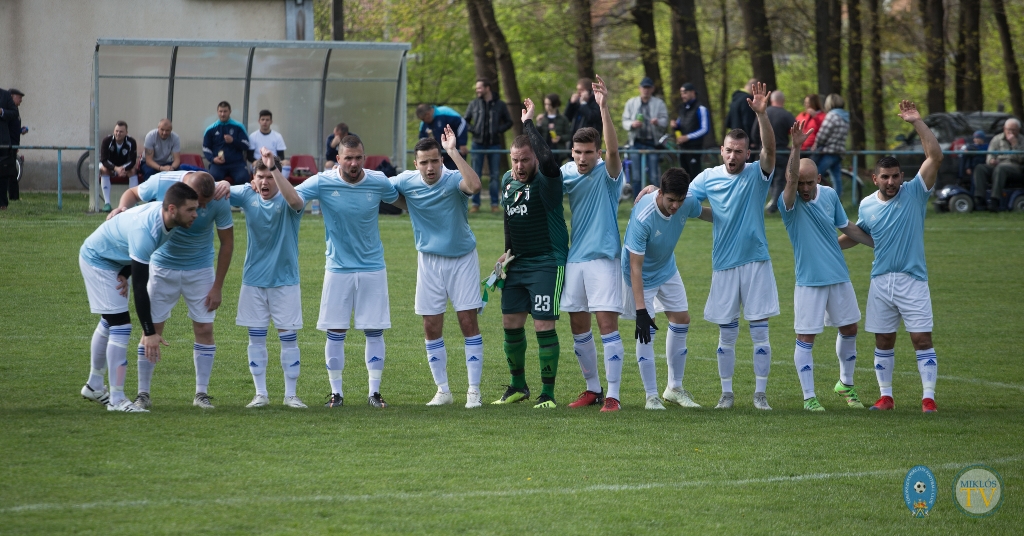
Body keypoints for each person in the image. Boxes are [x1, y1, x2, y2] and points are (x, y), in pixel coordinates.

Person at [639, 82, 781, 410]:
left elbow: (771, 152)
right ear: (722, 150)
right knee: (727, 333)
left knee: (760, 332)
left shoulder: (757, 175)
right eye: (729, 150)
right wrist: (657, 190)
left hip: (757, 262)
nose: (733, 156)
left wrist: (761, 115)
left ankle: (760, 394)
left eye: (740, 151)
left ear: (748, 153)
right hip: (724, 264)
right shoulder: (707, 177)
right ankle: (727, 394)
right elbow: (681, 199)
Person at [843, 100, 943, 413]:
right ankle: (886, 396)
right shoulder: (867, 206)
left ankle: (928, 398)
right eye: (885, 177)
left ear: (902, 176)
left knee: (921, 339)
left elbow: (935, 156)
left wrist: (916, 121)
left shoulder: (915, 191)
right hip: (880, 280)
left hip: (913, 279)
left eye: (895, 176)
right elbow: (858, 236)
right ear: (875, 179)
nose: (891, 182)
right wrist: (826, 246)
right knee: (883, 340)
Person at [109, 170, 233, 410]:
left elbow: (227, 243)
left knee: (205, 328)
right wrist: (122, 209)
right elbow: (132, 192)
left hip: (200, 270)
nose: (200, 210)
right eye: (196, 204)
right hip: (161, 266)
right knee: (152, 329)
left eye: (204, 205)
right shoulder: (162, 181)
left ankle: (201, 394)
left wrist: (217, 286)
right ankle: (143, 393)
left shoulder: (218, 197)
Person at [295, 134, 400, 409]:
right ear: (338, 159)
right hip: (338, 268)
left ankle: (374, 393)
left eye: (358, 158)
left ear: (363, 158)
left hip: (373, 267)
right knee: (335, 331)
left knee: (374, 331)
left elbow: (401, 200)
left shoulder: (377, 181)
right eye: (348, 158)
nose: (354, 163)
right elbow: (294, 199)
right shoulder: (322, 181)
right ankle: (336, 393)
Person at [78, 182, 199, 412]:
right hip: (98, 260)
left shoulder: (167, 220)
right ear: (172, 209)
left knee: (110, 321)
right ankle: (117, 399)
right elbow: (141, 287)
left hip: (114, 262)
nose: (196, 214)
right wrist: (150, 332)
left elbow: (131, 248)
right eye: (191, 209)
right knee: (121, 325)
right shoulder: (148, 230)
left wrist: (124, 272)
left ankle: (94, 384)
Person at [779, 120, 875, 412]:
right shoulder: (789, 202)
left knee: (850, 329)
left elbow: (847, 228)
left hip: (838, 275)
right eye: (800, 182)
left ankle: (845, 384)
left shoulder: (830, 195)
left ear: (819, 179)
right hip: (808, 280)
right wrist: (796, 148)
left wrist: (880, 244)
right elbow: (792, 178)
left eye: (810, 182)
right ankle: (809, 397)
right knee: (806, 336)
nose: (805, 187)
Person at [389, 127, 485, 408]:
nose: (430, 167)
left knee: (468, 321)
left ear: (441, 160)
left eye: (435, 160)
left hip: (462, 258)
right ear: (415, 163)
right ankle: (443, 390)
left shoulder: (455, 179)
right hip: (428, 261)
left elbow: (475, 186)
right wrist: (405, 204)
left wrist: (453, 151)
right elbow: (384, 191)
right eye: (424, 162)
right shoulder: (406, 181)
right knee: (431, 325)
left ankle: (473, 391)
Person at [492, 98, 570, 409]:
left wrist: (528, 124)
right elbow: (509, 220)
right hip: (518, 263)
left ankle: (548, 394)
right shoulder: (506, 182)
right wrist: (505, 256)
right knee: (510, 322)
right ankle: (517, 386)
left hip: (547, 263)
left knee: (542, 324)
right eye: (515, 161)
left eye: (525, 159)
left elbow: (550, 159)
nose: (520, 166)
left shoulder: (548, 180)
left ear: (534, 158)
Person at [559, 75, 627, 412]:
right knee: (577, 323)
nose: (583, 158)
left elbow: (615, 150)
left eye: (589, 152)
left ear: (598, 152)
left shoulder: (609, 171)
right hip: (575, 258)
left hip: (604, 257)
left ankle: (613, 395)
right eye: (578, 152)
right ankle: (592, 389)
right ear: (571, 152)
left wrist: (604, 108)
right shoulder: (567, 172)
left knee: (606, 324)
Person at [622, 168, 712, 410]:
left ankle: (674, 389)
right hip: (640, 274)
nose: (675, 206)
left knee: (681, 319)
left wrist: (731, 217)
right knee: (646, 330)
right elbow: (635, 267)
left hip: (666, 267)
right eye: (671, 200)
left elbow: (701, 212)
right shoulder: (644, 216)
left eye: (679, 200)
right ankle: (651, 396)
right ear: (660, 193)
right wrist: (641, 312)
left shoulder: (686, 201)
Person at [232, 150, 308, 409]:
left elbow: (296, 200)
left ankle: (290, 395)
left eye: (269, 177)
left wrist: (274, 167)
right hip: (253, 281)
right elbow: (214, 188)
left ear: (278, 177)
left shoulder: (289, 200)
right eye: (260, 177)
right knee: (256, 338)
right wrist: (240, 184)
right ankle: (260, 394)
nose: (265, 182)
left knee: (289, 339)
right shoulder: (247, 195)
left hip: (285, 281)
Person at [464, 78, 513, 212]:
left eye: (479, 88)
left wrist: (498, 130)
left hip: (494, 144)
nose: (477, 90)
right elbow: (465, 121)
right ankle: (475, 204)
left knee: (494, 175)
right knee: (475, 174)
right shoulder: (473, 104)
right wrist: (474, 130)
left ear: (487, 88)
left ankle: (494, 204)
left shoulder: (500, 105)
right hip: (477, 144)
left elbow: (509, 122)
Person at [750, 90, 795, 213]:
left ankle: (769, 203)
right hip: (781, 152)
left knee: (765, 178)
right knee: (780, 179)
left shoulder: (764, 112)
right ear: (783, 101)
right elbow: (796, 132)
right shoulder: (787, 115)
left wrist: (757, 143)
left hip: (764, 152)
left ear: (771, 100)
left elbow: (754, 132)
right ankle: (775, 203)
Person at [621, 77, 669, 193]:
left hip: (652, 143)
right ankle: (636, 203)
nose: (645, 90)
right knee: (636, 176)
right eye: (644, 87)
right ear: (639, 88)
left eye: (648, 88)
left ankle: (656, 202)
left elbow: (665, 121)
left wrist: (657, 122)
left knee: (654, 175)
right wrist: (633, 124)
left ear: (652, 89)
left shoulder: (659, 103)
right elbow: (624, 121)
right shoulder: (631, 103)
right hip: (636, 142)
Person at [973, 118, 1023, 212]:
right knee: (980, 168)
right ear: (1004, 128)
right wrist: (991, 160)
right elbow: (990, 154)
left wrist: (1015, 144)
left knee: (1001, 169)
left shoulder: (1022, 141)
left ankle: (994, 200)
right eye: (1009, 129)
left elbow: (1021, 159)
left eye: (1014, 130)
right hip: (997, 165)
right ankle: (980, 199)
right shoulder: (997, 139)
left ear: (1018, 130)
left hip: (1015, 167)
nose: (1011, 132)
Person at [811, 94, 850, 199]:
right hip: (839, 152)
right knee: (836, 178)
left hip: (829, 151)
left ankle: (811, 198)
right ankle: (836, 199)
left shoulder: (832, 115)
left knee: (815, 175)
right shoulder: (845, 117)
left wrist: (816, 144)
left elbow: (823, 133)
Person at [202, 101, 251, 184]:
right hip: (218, 164)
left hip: (237, 163)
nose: (222, 114)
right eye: (220, 111)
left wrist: (233, 141)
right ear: (217, 112)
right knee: (212, 178)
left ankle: (237, 197)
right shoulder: (210, 129)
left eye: (225, 111)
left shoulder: (238, 127)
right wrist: (213, 159)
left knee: (243, 178)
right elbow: (206, 148)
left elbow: (246, 145)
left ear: (230, 112)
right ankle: (217, 197)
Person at [673, 82, 711, 181]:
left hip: (695, 148)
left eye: (685, 92)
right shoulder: (682, 109)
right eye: (681, 93)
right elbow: (679, 125)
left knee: (694, 177)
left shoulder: (701, 108)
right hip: (682, 148)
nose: (682, 95)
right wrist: (675, 126)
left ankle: (696, 196)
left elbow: (705, 129)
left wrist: (688, 137)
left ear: (692, 92)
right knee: (683, 176)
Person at [99, 121, 139, 213]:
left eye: (121, 131)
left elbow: (132, 161)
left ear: (126, 133)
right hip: (110, 166)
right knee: (104, 170)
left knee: (133, 171)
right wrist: (115, 168)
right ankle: (107, 203)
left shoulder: (131, 141)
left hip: (124, 167)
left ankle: (135, 202)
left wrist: (123, 169)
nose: (118, 133)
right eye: (116, 131)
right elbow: (104, 160)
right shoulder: (107, 141)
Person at [416, 103, 468, 170]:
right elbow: (422, 138)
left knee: (457, 177)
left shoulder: (445, 112)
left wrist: (462, 143)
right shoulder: (423, 124)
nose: (423, 121)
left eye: (423, 119)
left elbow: (462, 123)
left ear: (428, 114)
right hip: (438, 157)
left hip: (455, 153)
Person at [5, 88, 25, 203]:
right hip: (9, 145)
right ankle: (13, 196)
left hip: (13, 145)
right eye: (19, 97)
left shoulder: (15, 111)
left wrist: (21, 130)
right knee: (11, 172)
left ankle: (13, 196)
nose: (21, 100)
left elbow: (14, 129)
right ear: (12, 97)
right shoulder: (9, 111)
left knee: (11, 172)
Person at [0, 87, 18, 210]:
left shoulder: (5, 95)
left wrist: (2, 112)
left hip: (2, 142)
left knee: (2, 175)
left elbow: (14, 113)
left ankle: (2, 203)